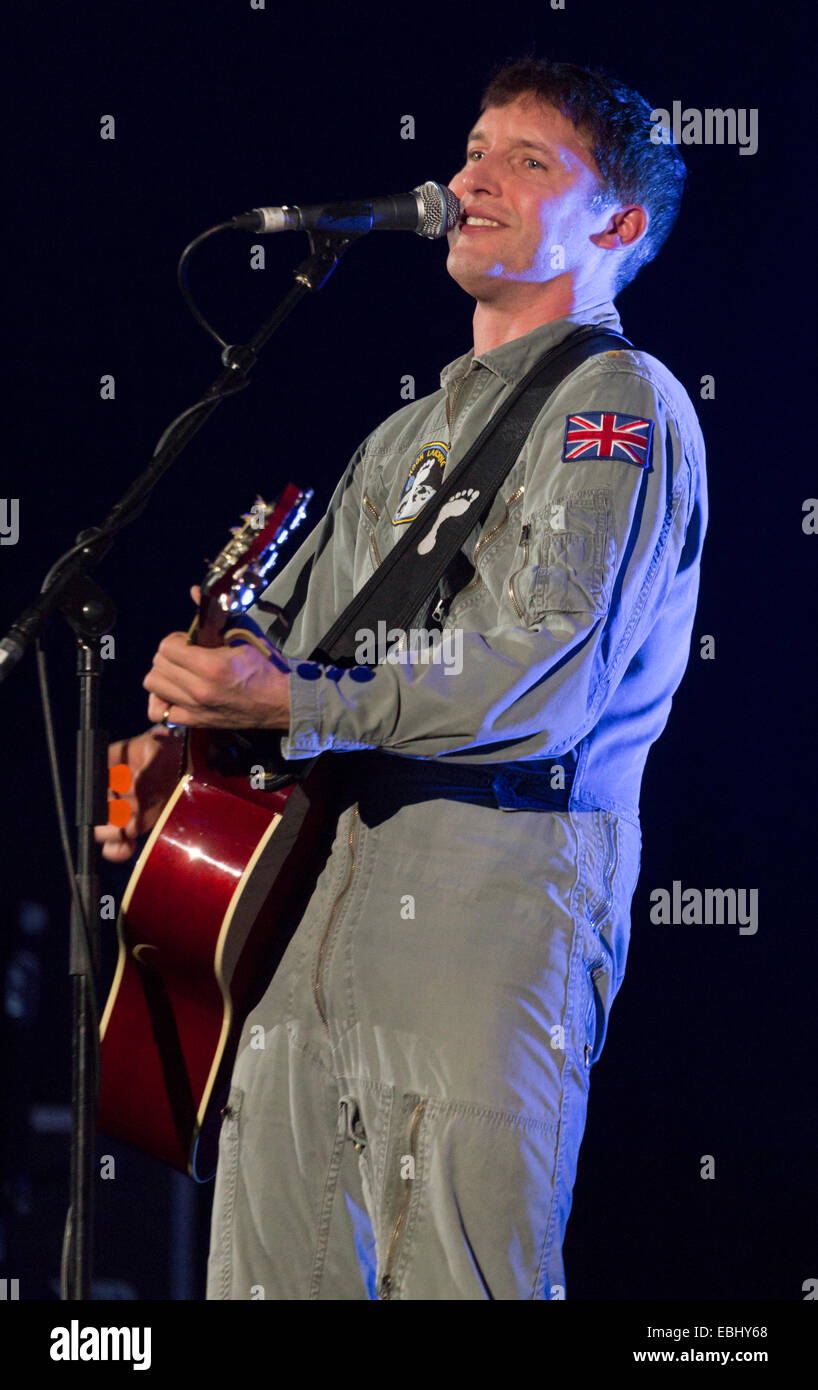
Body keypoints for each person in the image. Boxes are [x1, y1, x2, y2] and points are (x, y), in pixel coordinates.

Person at [95, 57, 707, 1300]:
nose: (471, 176)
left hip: (491, 901)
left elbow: (538, 673)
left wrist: (287, 700)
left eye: (527, 161)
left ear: (617, 223)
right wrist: (184, 749)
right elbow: (282, 648)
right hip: (310, 906)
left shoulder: (616, 406)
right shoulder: (401, 435)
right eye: (473, 150)